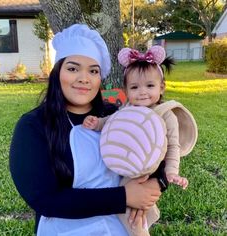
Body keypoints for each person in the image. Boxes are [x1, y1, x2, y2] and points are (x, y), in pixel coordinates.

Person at [9, 24, 169, 236]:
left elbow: (158, 149)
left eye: (93, 71)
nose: (84, 78)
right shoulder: (34, 126)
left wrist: (158, 183)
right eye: (73, 68)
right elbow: (44, 199)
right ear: (57, 73)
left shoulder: (117, 115)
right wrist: (123, 197)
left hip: (120, 227)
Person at [83, 45, 198, 235]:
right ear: (126, 91)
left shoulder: (166, 114)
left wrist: (171, 172)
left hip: (150, 169)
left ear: (162, 88)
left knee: (136, 209)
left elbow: (173, 146)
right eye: (135, 87)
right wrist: (97, 123)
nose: (142, 92)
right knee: (126, 201)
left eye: (150, 86)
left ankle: (140, 230)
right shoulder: (127, 110)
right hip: (126, 165)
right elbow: (113, 123)